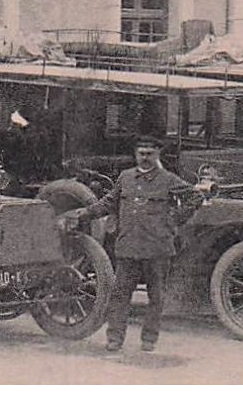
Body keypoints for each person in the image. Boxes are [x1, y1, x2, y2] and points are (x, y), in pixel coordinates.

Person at [59, 136, 187, 353]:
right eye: (141, 153)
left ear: (158, 155)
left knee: (156, 297)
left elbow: (194, 197)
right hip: (128, 246)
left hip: (158, 248)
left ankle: (149, 339)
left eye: (150, 153)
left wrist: (173, 220)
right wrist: (84, 215)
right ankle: (115, 339)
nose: (145, 158)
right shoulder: (126, 178)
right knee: (120, 296)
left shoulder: (169, 179)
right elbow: (108, 203)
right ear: (136, 155)